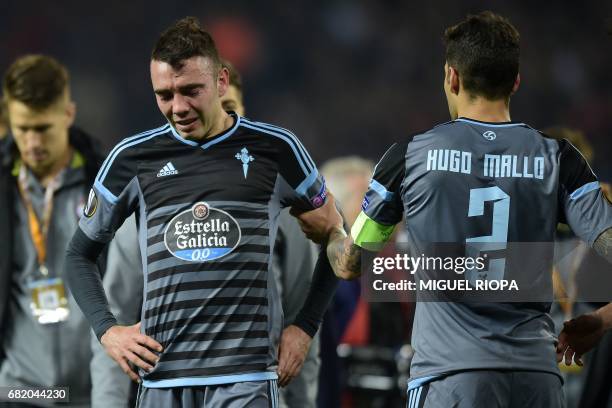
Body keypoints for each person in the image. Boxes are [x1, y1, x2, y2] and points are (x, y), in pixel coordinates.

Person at [301, 11, 612, 408]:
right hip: (537, 379)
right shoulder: (559, 160)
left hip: (450, 379)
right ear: (515, 81)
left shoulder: (409, 158)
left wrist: (332, 235)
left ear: (452, 77)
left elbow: (350, 265)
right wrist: (600, 322)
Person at [65, 17, 342, 408]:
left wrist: (305, 326)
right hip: (162, 382)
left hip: (245, 380)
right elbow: (78, 254)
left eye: (190, 90)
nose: (178, 107)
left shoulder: (276, 148)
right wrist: (108, 331)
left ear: (222, 82)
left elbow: (336, 236)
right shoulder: (131, 159)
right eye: (164, 95)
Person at [0, 54, 125, 407]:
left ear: (68, 114)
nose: (32, 142)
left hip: (91, 393)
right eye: (22, 128)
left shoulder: (106, 184)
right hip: (16, 392)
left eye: (42, 128)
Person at [219, 59, 329, 408]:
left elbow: (301, 319)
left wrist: (306, 325)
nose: (220, 122)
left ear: (244, 111)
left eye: (229, 109)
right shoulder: (152, 195)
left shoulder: (278, 192)